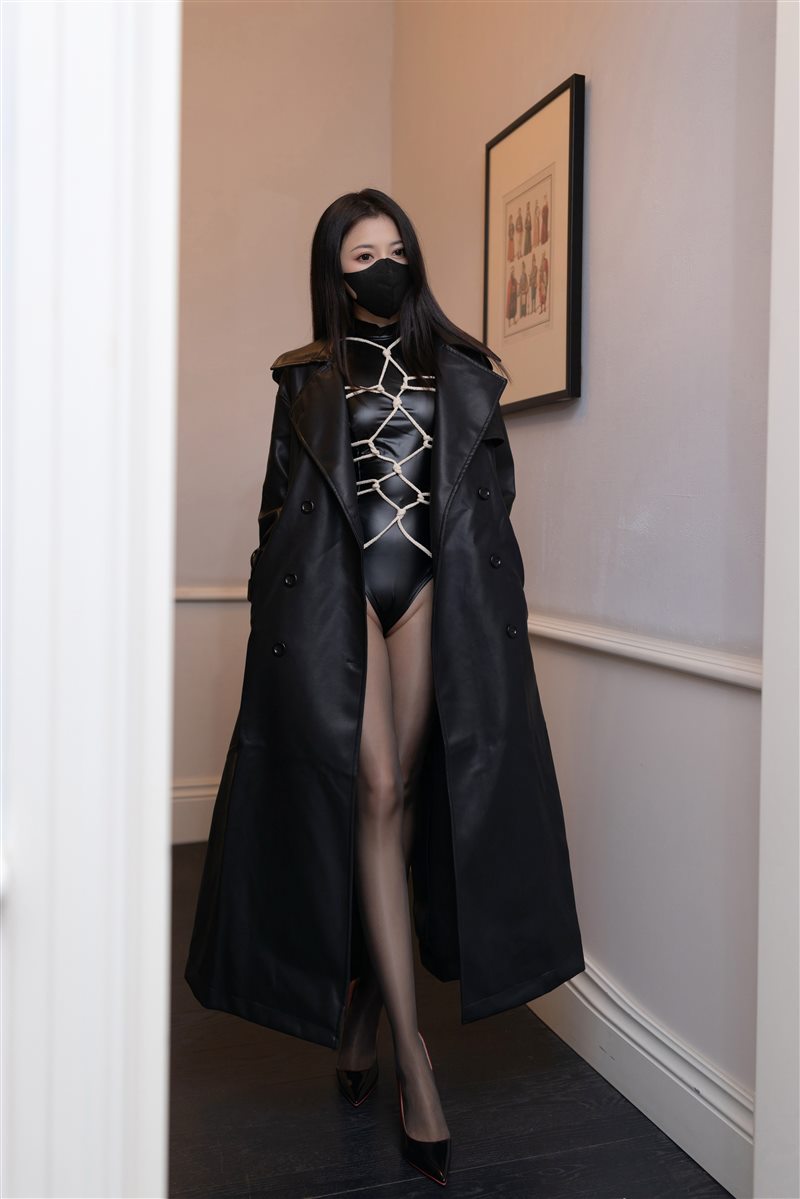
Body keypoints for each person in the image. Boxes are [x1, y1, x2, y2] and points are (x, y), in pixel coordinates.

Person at [184, 188, 585, 1190]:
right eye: (362, 254)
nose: (382, 265)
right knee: (370, 790)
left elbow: (490, 504)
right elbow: (278, 508)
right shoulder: (304, 375)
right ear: (334, 270)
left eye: (394, 247)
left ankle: (363, 1009)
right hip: (337, 596)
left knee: (400, 802)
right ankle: (415, 1056)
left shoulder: (465, 367)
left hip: (431, 595)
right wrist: (269, 614)